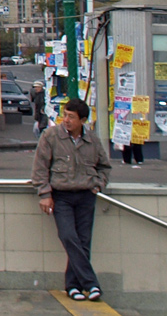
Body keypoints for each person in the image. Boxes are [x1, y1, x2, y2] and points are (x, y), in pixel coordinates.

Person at [32, 98, 111, 301]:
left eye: (71, 117)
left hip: (85, 195)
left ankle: (73, 286)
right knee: (68, 236)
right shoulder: (51, 136)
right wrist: (44, 194)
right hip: (62, 195)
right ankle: (91, 283)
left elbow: (104, 166)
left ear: (82, 120)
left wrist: (98, 184)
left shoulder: (92, 140)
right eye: (65, 115)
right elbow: (40, 167)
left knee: (83, 241)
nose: (66, 120)